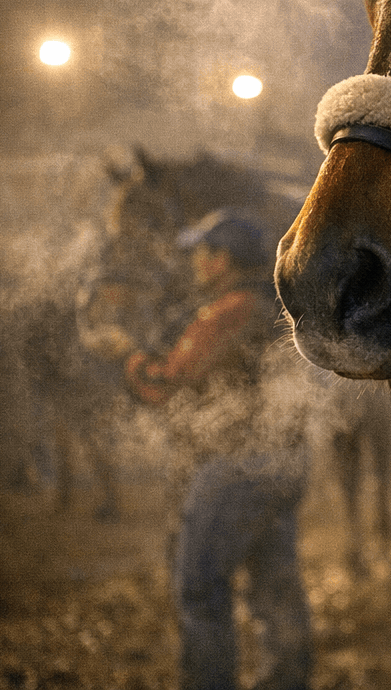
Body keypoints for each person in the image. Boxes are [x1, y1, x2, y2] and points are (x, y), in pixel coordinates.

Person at [124, 209, 312, 690]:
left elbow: (166, 383)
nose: (195, 263)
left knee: (200, 590)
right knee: (274, 588)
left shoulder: (227, 312)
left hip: (232, 470)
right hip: (280, 465)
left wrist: (128, 356)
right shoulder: (274, 308)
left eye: (203, 253)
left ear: (222, 259)